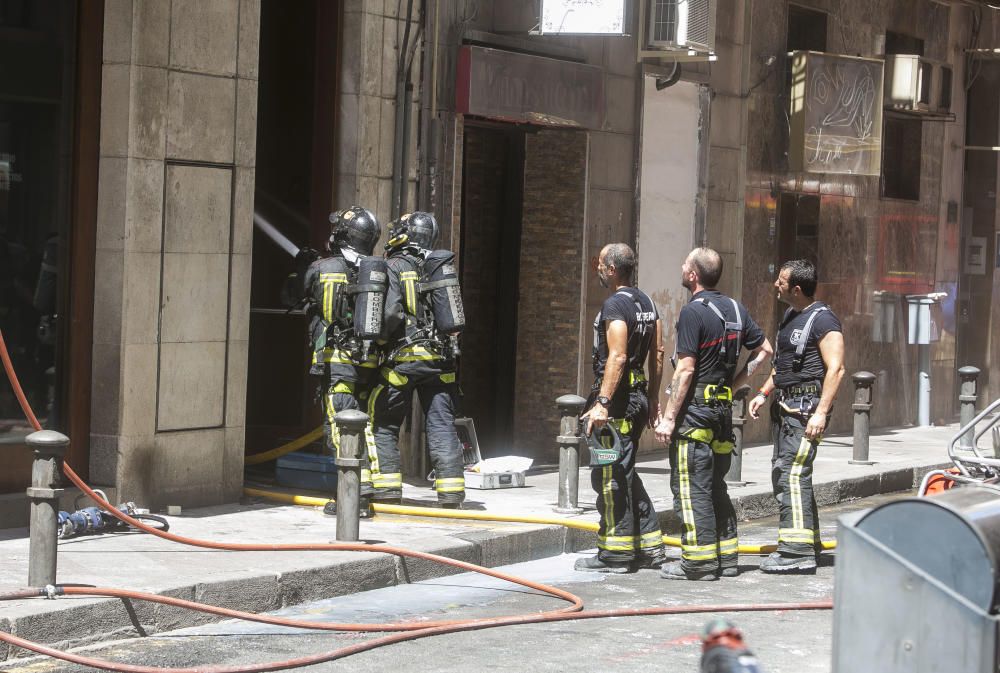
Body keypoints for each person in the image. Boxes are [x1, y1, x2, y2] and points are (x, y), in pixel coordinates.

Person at [655, 248, 772, 581]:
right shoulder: (735, 308)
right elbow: (765, 351)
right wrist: (734, 386)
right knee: (715, 485)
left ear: (693, 275)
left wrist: (667, 418)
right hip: (722, 414)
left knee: (692, 488)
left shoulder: (693, 312)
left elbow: (686, 370)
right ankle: (727, 556)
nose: (680, 266)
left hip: (695, 415)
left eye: (684, 263)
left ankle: (699, 561)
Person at [748, 258, 845, 573]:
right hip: (786, 409)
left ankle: (795, 554)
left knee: (792, 475)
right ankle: (808, 544)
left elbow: (837, 369)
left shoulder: (824, 321)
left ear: (797, 289)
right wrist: (763, 393)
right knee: (787, 474)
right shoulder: (790, 317)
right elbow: (783, 368)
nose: (776, 284)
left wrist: (820, 413)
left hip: (806, 412)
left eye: (781, 280)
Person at [575, 243, 667, 573]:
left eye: (600, 264)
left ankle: (615, 553)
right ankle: (651, 545)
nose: (597, 269)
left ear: (612, 270)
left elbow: (617, 356)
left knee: (609, 476)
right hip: (638, 399)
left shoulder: (615, 304)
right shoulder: (647, 302)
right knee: (625, 471)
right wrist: (653, 397)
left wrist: (602, 403)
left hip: (616, 406)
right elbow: (657, 354)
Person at [369, 211, 467, 507]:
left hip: (402, 361)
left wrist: (380, 342)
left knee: (384, 422)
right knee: (441, 423)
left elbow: (389, 314)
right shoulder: (439, 267)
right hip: (440, 363)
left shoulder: (395, 266)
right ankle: (451, 491)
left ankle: (387, 489)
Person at [301, 206, 383, 509]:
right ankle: (366, 487)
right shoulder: (378, 270)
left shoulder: (323, 267)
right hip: (370, 362)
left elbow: (294, 295)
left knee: (341, 426)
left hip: (337, 361)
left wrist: (303, 266)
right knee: (363, 424)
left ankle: (354, 498)